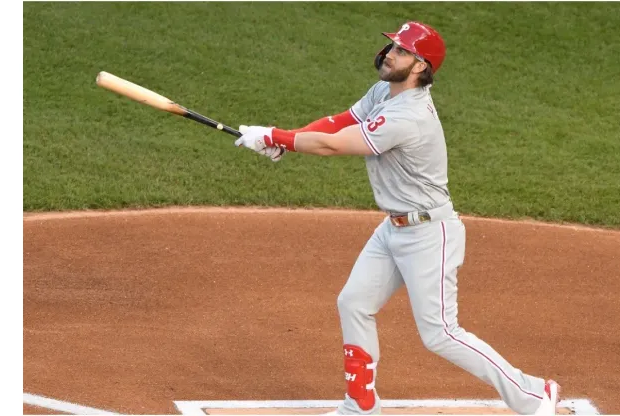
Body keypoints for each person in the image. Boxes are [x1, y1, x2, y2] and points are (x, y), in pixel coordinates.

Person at [235, 21, 562, 416]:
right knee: (354, 302)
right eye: (392, 47)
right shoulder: (384, 92)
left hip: (429, 234)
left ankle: (535, 394)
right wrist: (287, 138)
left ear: (421, 66)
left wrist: (276, 136)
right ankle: (360, 406)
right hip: (393, 228)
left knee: (441, 334)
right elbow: (339, 122)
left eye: (402, 51)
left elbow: (335, 145)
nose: (390, 54)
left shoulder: (409, 116)